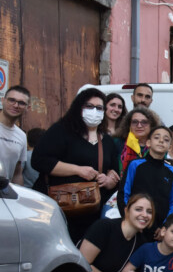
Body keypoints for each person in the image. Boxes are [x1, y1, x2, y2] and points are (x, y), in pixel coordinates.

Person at [32, 88, 120, 243]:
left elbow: (113, 170)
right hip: (60, 207)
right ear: (79, 107)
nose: (94, 111)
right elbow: (39, 160)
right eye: (89, 106)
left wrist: (110, 180)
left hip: (91, 209)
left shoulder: (106, 140)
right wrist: (78, 170)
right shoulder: (61, 131)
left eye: (99, 108)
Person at [118, 126, 173, 239]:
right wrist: (129, 219)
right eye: (157, 137)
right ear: (148, 143)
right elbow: (123, 194)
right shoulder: (135, 165)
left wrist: (165, 226)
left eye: (166, 140)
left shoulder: (171, 171)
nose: (161, 141)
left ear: (170, 147)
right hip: (134, 225)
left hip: (158, 231)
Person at [116, 107, 160, 176]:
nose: (139, 126)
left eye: (144, 122)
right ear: (129, 125)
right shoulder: (118, 143)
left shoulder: (158, 146)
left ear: (151, 125)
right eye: (135, 122)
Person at [0, 85, 30, 184]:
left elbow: (17, 173)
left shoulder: (21, 136)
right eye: (11, 100)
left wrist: (18, 197)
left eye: (21, 103)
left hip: (4, 194)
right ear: (2, 100)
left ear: (27, 108)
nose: (16, 105)